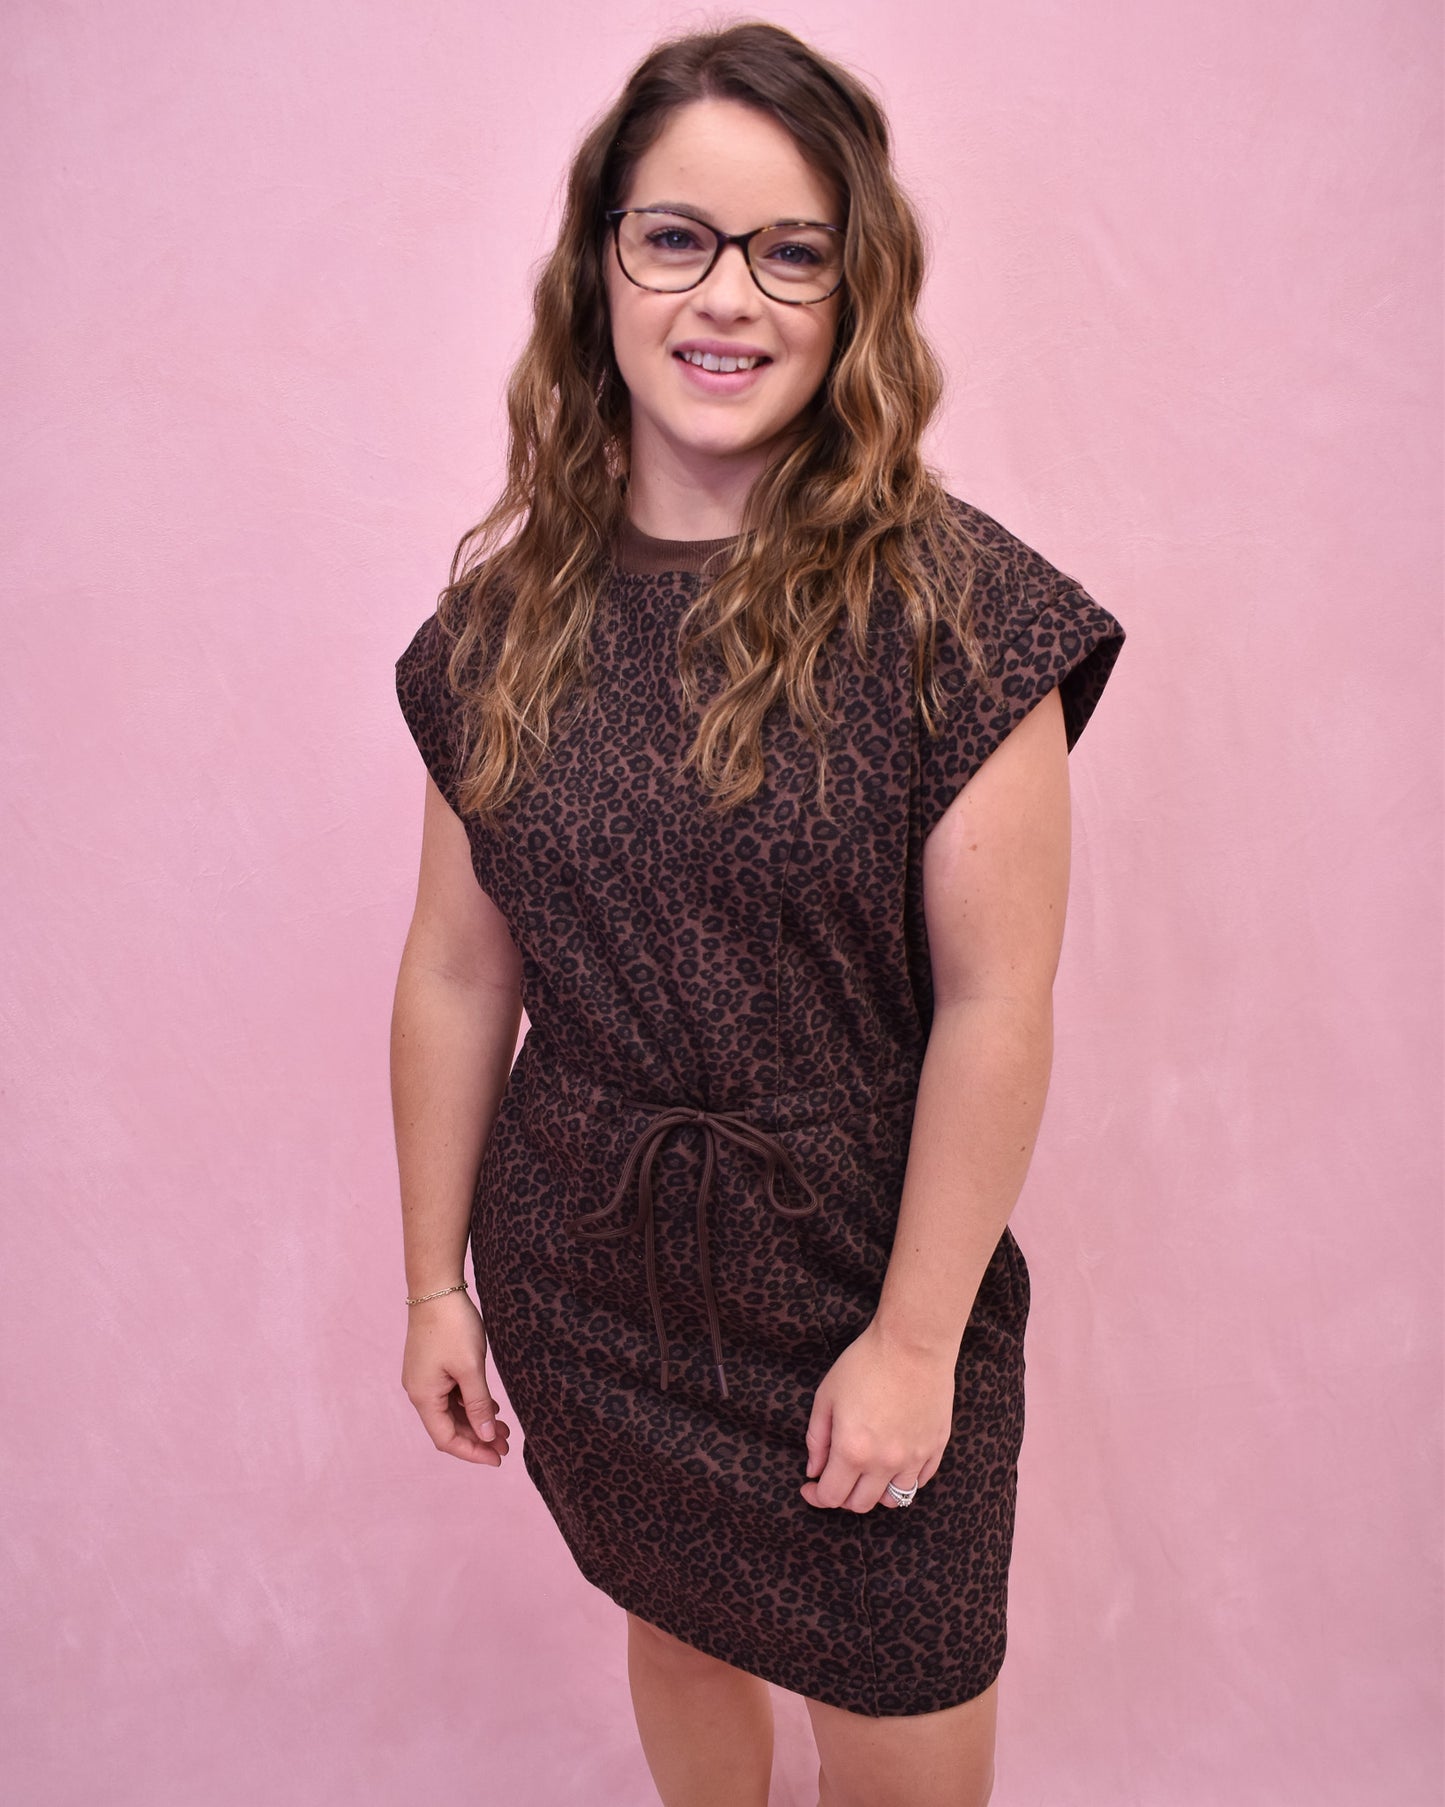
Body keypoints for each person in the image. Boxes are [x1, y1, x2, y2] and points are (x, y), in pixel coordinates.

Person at [390, 21, 1125, 1807]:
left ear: (854, 291)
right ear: (601, 266)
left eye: (792, 251)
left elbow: (993, 1007)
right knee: (680, 1625)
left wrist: (915, 1339)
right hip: (589, 1275)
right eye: (677, 238)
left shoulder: (962, 614)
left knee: (903, 1710)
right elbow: (454, 971)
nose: (731, 297)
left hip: (856, 1279)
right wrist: (432, 1281)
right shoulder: (495, 633)